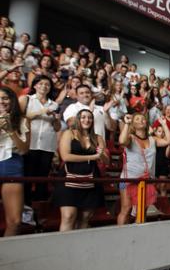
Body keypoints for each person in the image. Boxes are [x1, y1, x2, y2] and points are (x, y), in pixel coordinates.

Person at [54, 109, 108, 231]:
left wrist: (102, 154)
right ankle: (64, 247)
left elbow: (107, 161)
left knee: (85, 217)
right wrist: (93, 157)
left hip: (91, 179)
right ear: (78, 119)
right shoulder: (69, 133)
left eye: (89, 117)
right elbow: (65, 156)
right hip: (69, 178)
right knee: (68, 216)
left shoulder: (98, 137)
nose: (86, 120)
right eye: (83, 117)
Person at [117, 114, 170, 225]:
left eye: (143, 118)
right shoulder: (131, 138)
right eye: (137, 119)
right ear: (133, 124)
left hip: (147, 180)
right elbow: (122, 141)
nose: (141, 120)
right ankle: (121, 236)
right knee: (126, 209)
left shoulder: (153, 139)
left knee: (142, 211)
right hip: (129, 179)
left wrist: (164, 124)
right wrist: (127, 124)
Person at [21, 76, 61, 205]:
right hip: (30, 143)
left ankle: (39, 205)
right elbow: (22, 117)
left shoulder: (54, 104)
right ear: (35, 86)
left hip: (47, 145)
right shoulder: (28, 100)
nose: (44, 86)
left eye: (47, 84)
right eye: (41, 83)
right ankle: (26, 205)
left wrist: (56, 119)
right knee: (28, 176)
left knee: (42, 177)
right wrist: (42, 111)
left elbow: (57, 127)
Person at [0, 86, 30, 236]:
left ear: (12, 101)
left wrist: (11, 130)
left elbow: (24, 149)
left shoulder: (23, 120)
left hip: (12, 163)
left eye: (5, 98)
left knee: (15, 221)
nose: (2, 101)